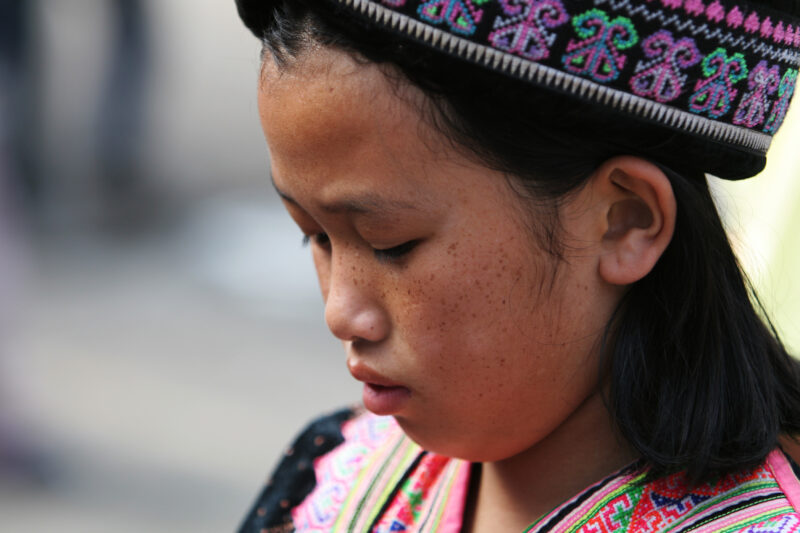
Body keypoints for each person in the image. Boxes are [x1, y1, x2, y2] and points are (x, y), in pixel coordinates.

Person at [234, 0, 800, 531]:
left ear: (625, 221)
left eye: (391, 243)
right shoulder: (332, 479)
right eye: (315, 237)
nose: (340, 312)